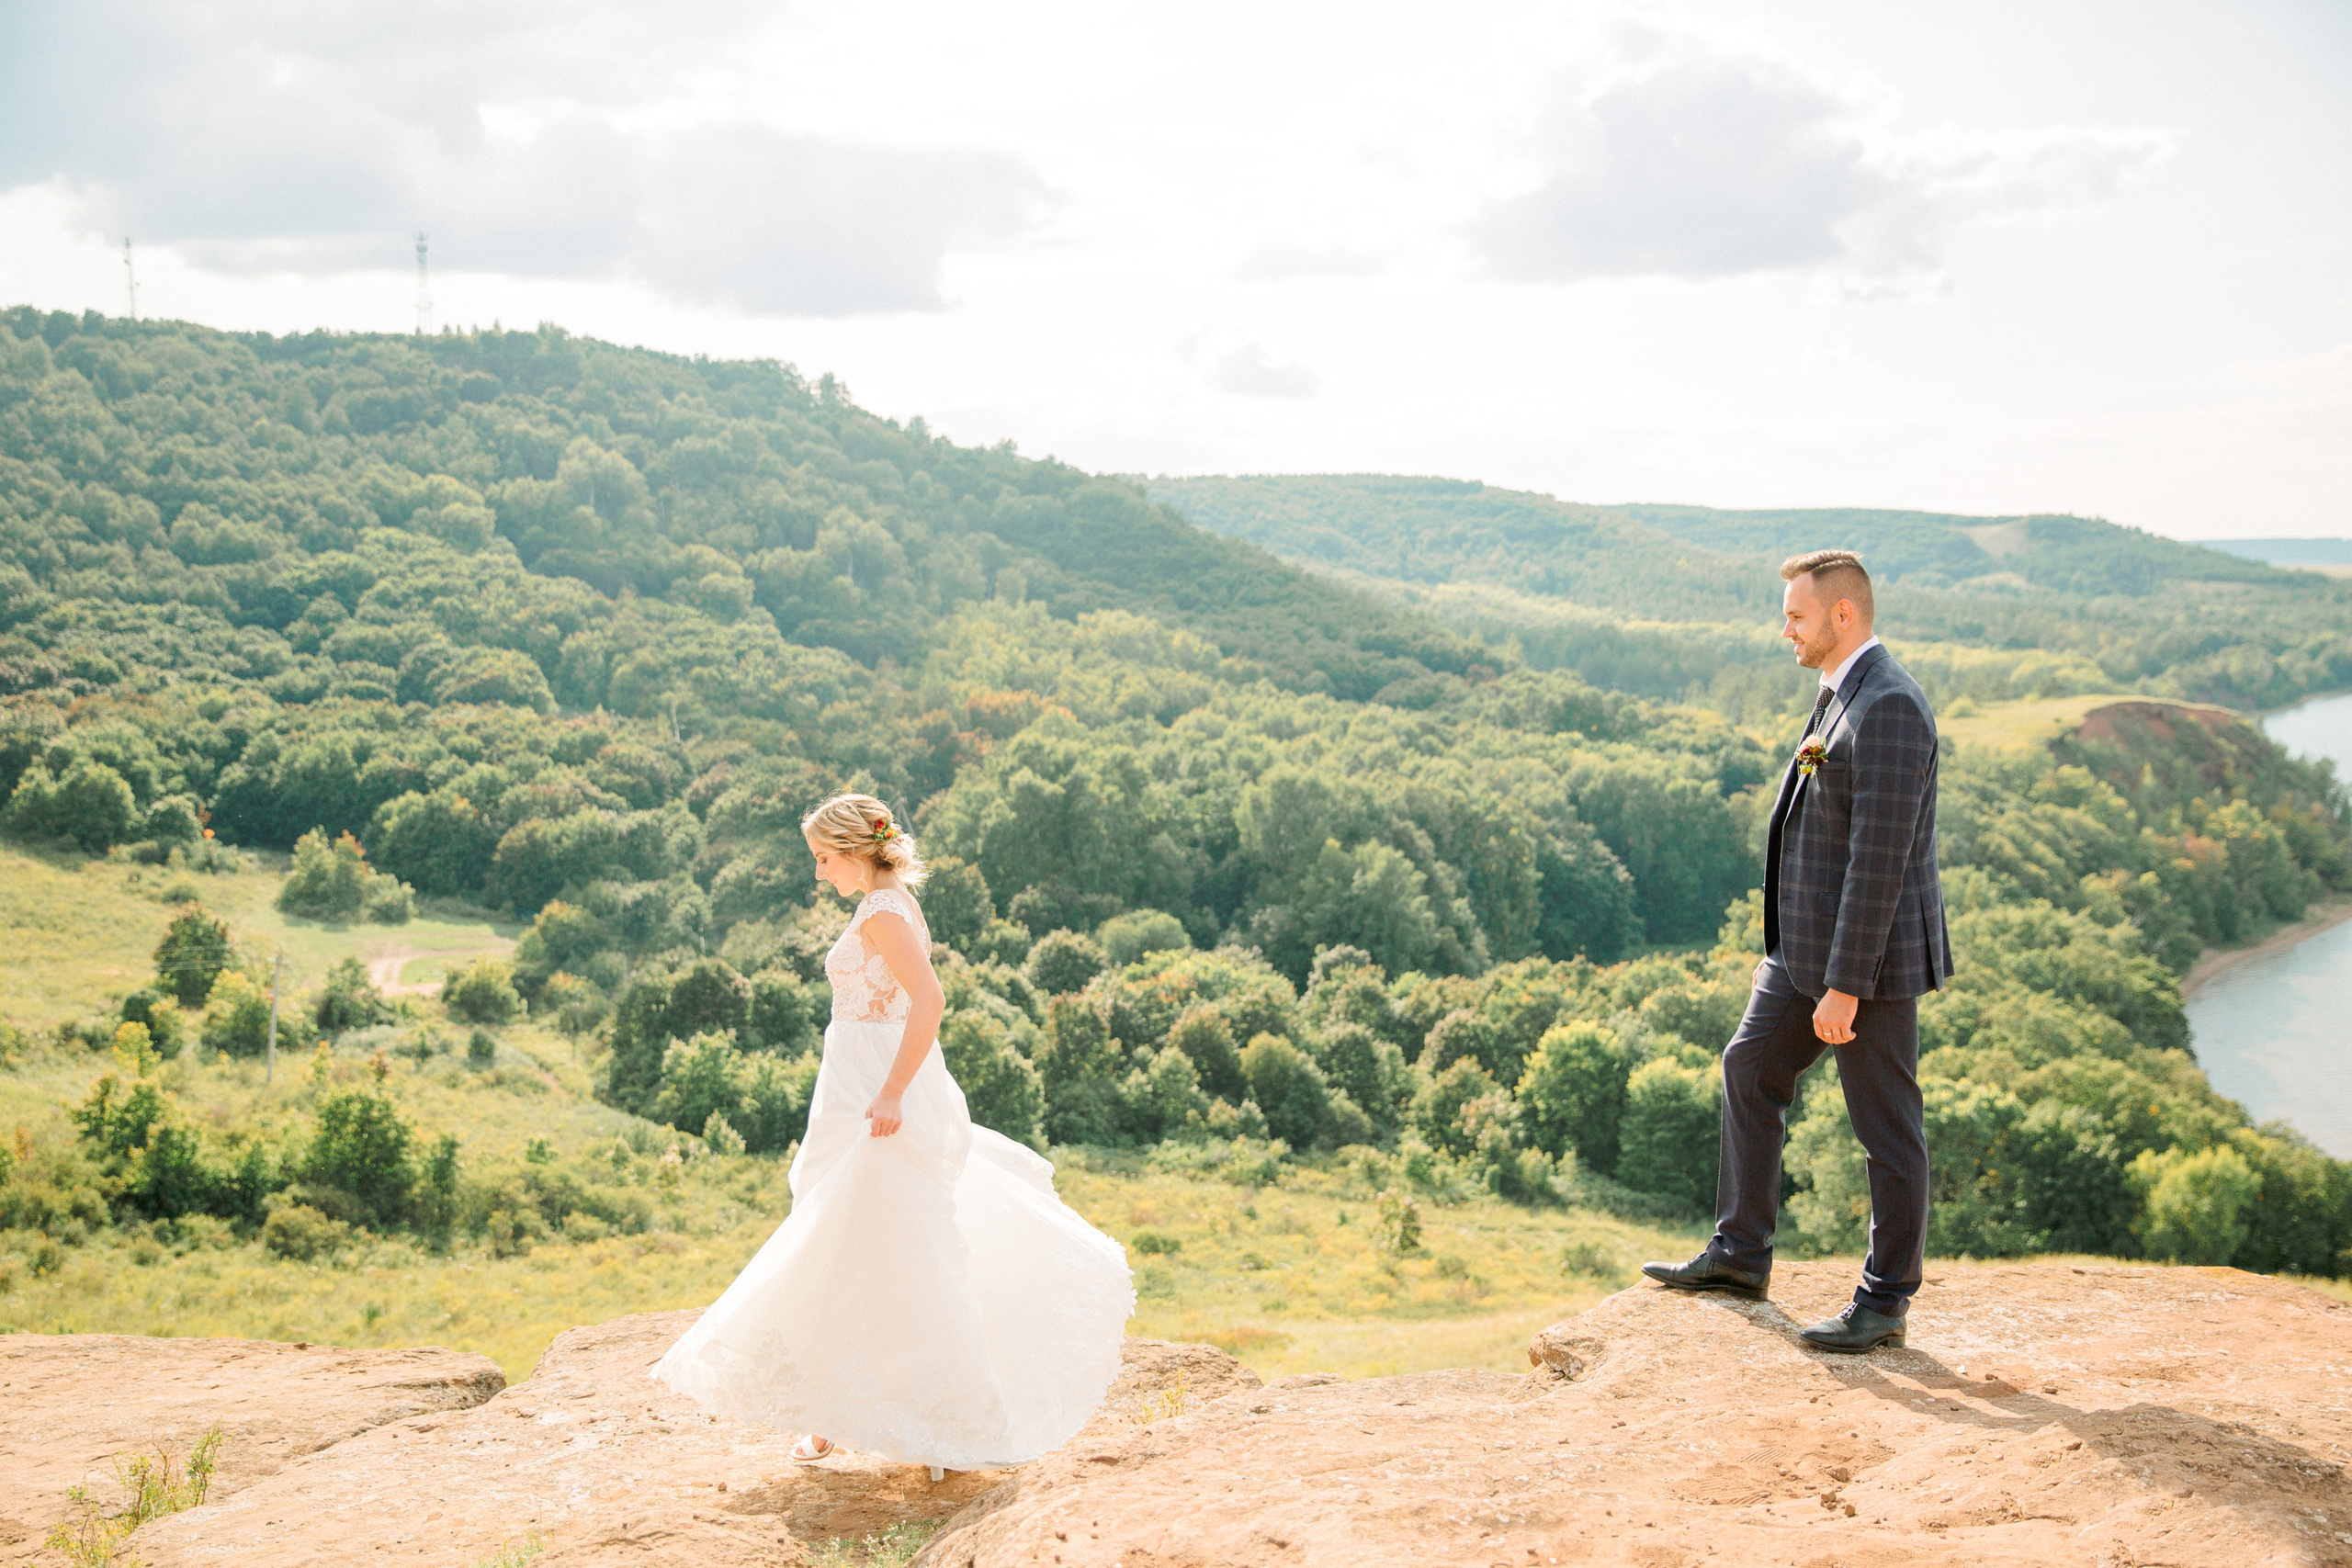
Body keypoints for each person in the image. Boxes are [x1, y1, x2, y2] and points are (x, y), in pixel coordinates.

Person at [651, 793, 1134, 1476]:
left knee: (890, 1249)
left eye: (823, 858)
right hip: (854, 1083)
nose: (819, 873)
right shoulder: (886, 902)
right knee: (848, 1241)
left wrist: (891, 1091)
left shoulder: (882, 909)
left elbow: (929, 999)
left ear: (853, 849)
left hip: (878, 1090)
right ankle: (836, 1411)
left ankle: (944, 1424)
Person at [1642, 550, 1951, 1352]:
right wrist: (1781, 953)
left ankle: (1885, 1299)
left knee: (1886, 1128)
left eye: (1797, 616)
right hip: (1801, 955)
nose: (1786, 628)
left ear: (1843, 615)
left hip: (1865, 966)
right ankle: (1740, 1254)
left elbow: (1876, 865)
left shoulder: (1888, 706)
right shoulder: (1839, 695)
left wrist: (1845, 986)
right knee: (1749, 1067)